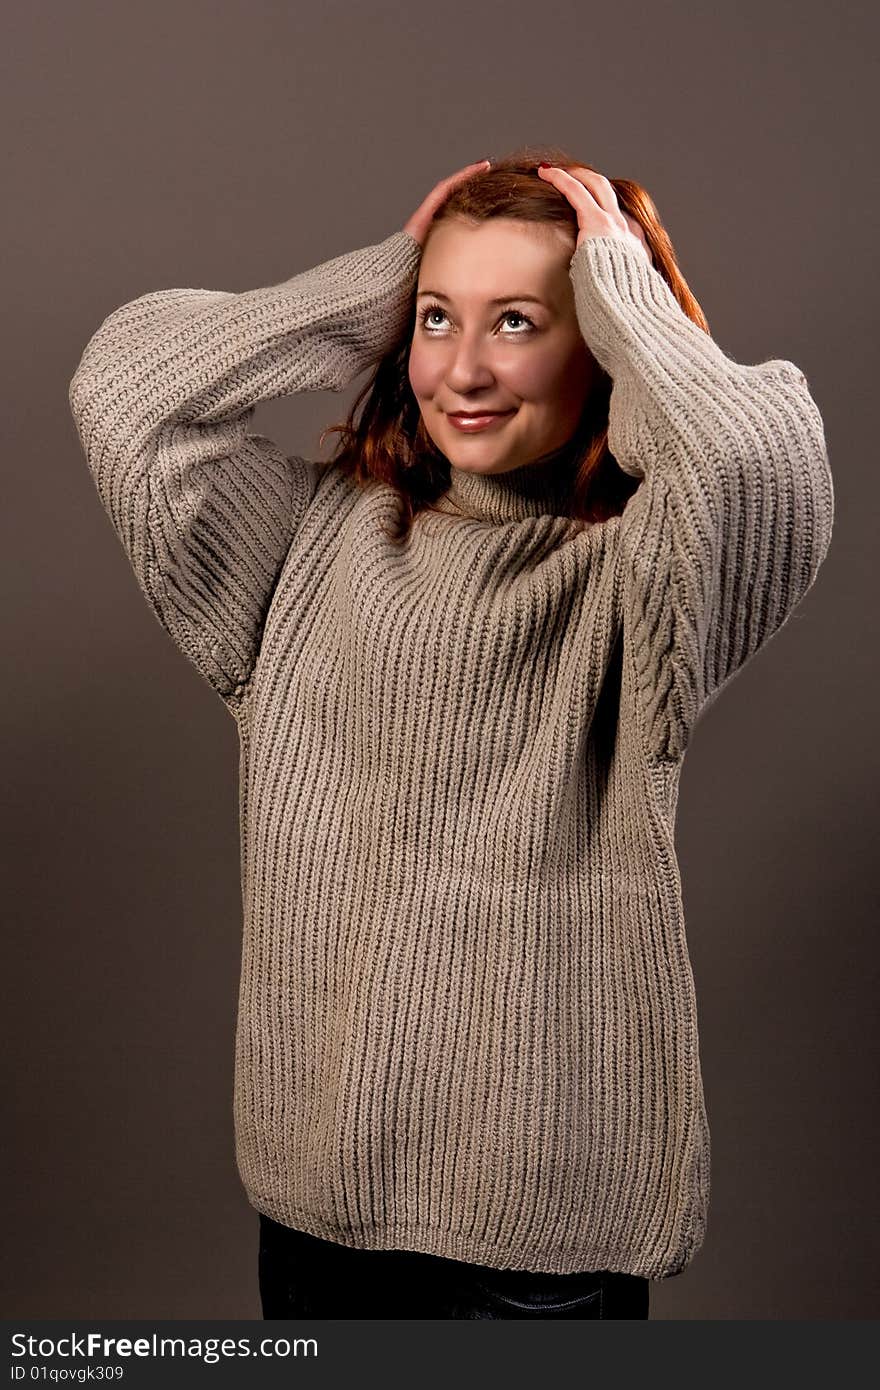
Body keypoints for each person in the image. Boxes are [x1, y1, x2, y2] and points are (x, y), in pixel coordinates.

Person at [68, 146, 834, 1320]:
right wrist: (377, 285)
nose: (463, 370)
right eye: (438, 319)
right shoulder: (304, 545)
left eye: (520, 321)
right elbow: (125, 391)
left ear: (605, 343)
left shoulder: (645, 580)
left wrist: (624, 293)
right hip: (317, 1205)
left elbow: (755, 454)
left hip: (543, 1236)